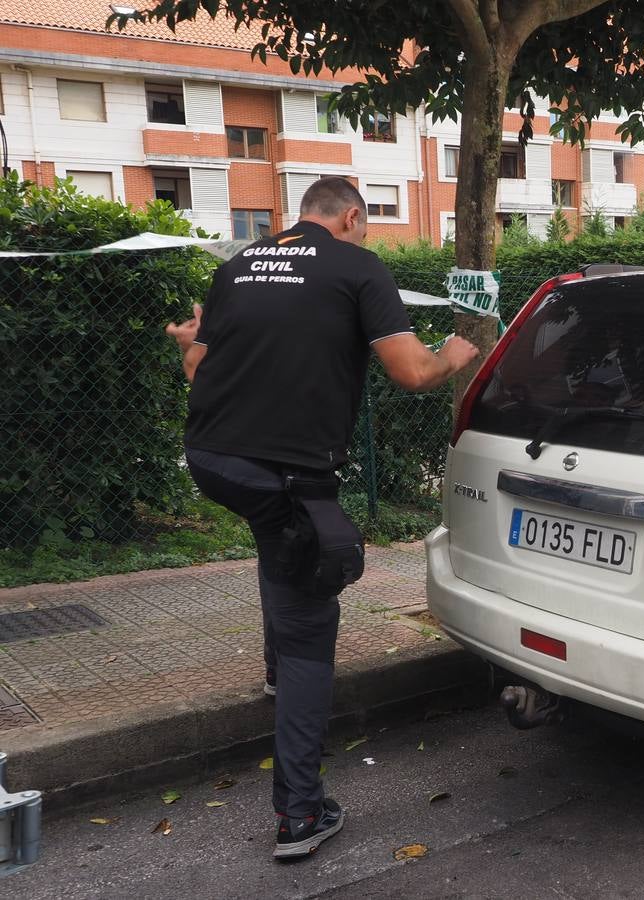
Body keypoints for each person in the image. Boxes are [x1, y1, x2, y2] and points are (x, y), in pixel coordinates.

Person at [164, 177, 480, 860]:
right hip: (285, 472)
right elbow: (410, 372)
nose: (364, 236)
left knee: (274, 536)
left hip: (214, 460)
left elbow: (199, 370)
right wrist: (453, 356)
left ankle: (279, 668)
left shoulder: (237, 265)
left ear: (299, 215)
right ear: (353, 217)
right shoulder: (358, 266)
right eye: (364, 226)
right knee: (313, 610)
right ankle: (301, 814)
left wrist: (190, 338)